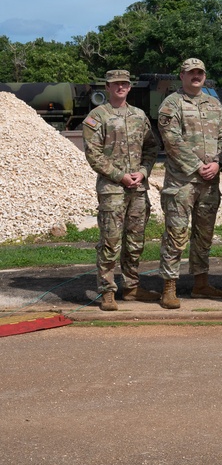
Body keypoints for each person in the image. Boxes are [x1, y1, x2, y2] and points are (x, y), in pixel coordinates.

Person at [157, 58, 222, 309]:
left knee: (204, 235)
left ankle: (201, 283)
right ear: (182, 76)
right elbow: (171, 139)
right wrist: (197, 166)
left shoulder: (214, 103)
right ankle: (169, 287)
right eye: (191, 73)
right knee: (176, 234)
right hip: (183, 182)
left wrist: (219, 163)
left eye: (200, 72)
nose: (196, 76)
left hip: (210, 182)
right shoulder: (172, 104)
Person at [82, 70, 160, 311]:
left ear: (129, 87)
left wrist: (144, 172)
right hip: (112, 189)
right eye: (116, 84)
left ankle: (132, 287)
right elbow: (92, 154)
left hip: (137, 189)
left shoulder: (139, 115)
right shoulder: (97, 117)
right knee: (110, 241)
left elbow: (151, 148)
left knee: (135, 240)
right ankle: (107, 291)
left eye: (124, 83)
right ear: (107, 87)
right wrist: (120, 176)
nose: (120, 87)